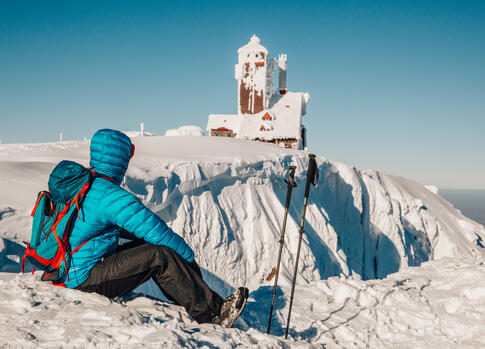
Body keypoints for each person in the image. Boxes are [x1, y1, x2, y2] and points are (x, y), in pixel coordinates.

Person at [63, 129, 247, 327]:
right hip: (82, 278)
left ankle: (191, 298)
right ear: (120, 158)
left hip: (69, 267)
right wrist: (186, 255)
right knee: (161, 255)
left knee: (151, 247)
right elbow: (153, 229)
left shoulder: (87, 184)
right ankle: (214, 314)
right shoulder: (110, 195)